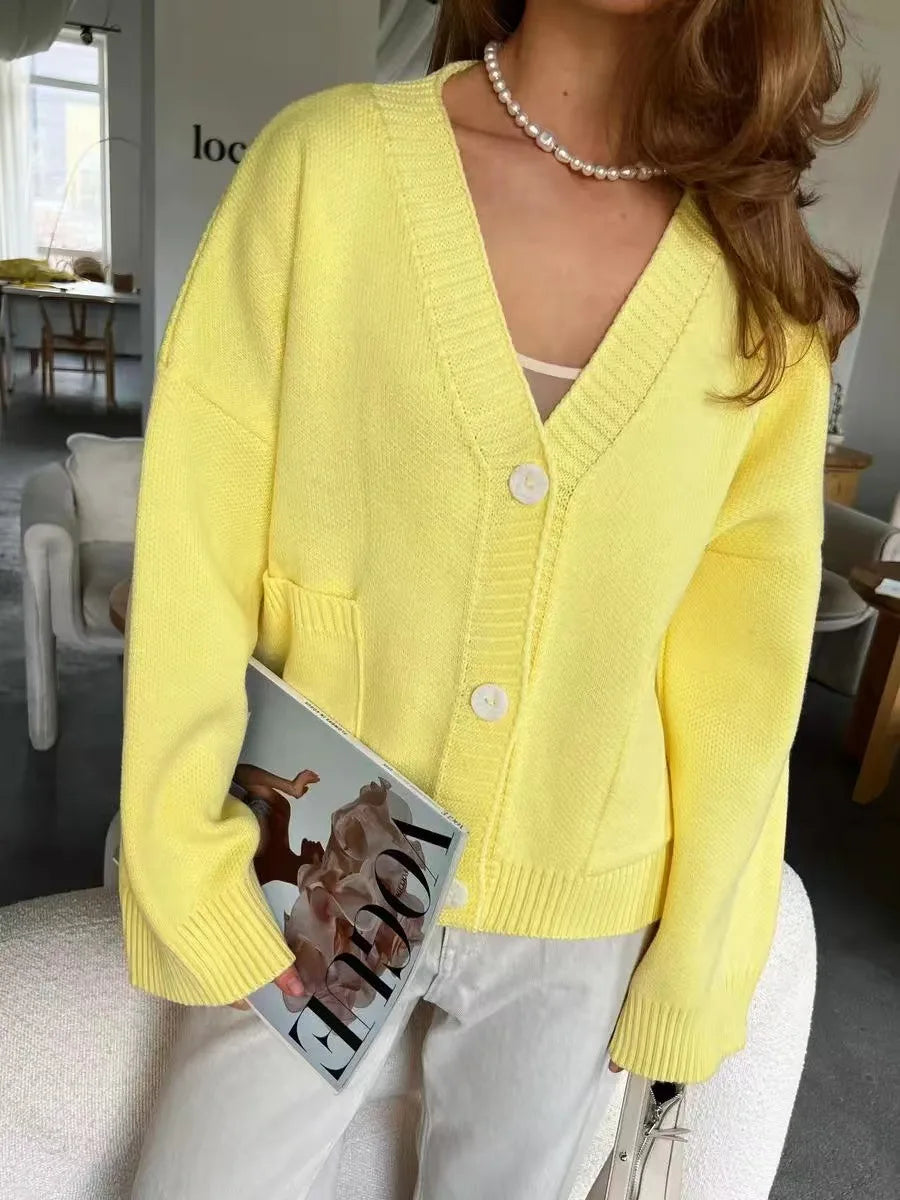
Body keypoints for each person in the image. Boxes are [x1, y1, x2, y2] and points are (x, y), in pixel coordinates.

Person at [121, 2, 871, 1197]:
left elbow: (743, 674)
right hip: (336, 858)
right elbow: (195, 548)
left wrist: (697, 963)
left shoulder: (755, 281)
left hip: (587, 894)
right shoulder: (329, 171)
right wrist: (185, 862)